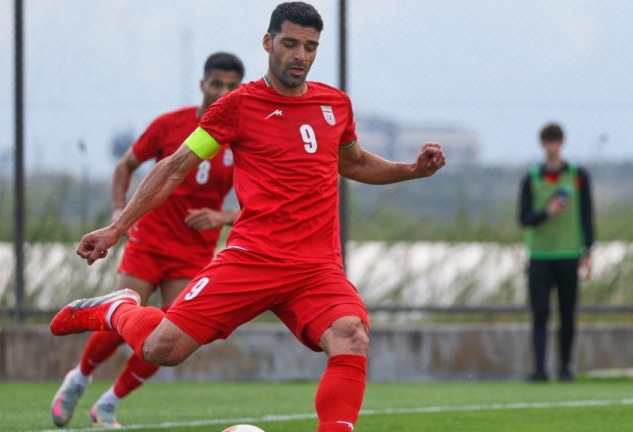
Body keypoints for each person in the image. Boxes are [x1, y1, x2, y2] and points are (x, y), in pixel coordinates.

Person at [50, 3, 446, 431]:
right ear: (268, 42)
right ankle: (118, 309)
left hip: (315, 268)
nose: (300, 55)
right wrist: (116, 227)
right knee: (164, 349)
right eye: (290, 43)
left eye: (310, 46)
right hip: (252, 259)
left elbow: (354, 163)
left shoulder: (335, 105)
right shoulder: (238, 106)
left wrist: (411, 170)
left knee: (351, 335)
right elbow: (175, 167)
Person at [50, 52, 245, 428]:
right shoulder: (170, 125)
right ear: (202, 84)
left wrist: (222, 217)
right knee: (122, 315)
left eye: (232, 87)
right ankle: (79, 379)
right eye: (217, 84)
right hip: (150, 240)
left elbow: (261, 203)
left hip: (194, 251)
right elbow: (125, 166)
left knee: (174, 333)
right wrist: (117, 214)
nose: (223, 92)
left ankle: (109, 403)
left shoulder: (241, 136)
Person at [518, 122, 594, 383]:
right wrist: (546, 212)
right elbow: (523, 218)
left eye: (556, 141)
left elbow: (587, 215)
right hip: (539, 256)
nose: (552, 146)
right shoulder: (531, 178)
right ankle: (539, 369)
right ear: (543, 144)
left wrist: (588, 250)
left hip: (569, 254)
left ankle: (565, 369)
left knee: (567, 314)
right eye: (548, 141)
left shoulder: (577, 175)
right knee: (539, 314)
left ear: (562, 143)